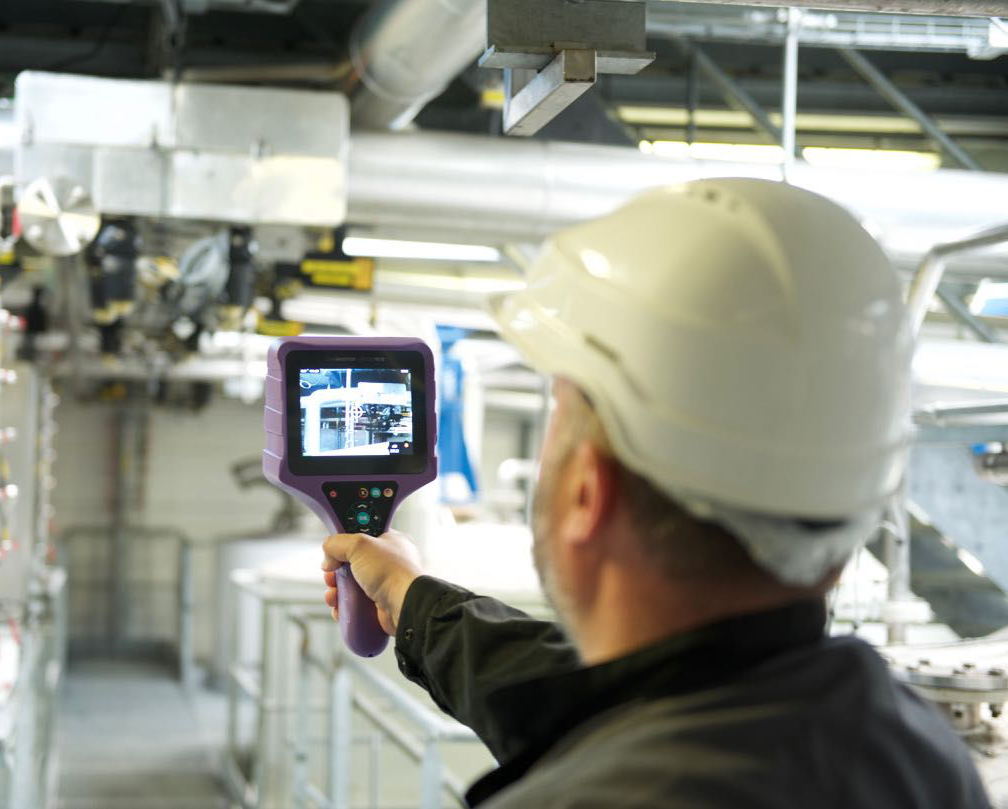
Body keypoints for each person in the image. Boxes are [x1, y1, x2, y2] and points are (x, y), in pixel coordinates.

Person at [320, 178, 991, 808]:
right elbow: (608, 694)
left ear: (587, 493)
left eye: (560, 413)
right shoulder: (919, 754)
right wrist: (413, 599)